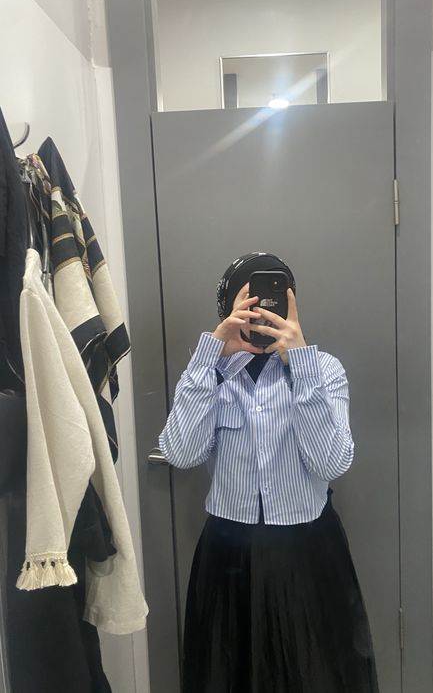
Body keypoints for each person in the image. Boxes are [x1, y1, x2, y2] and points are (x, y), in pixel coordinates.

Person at [159, 252, 380, 693]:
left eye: (271, 303)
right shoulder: (211, 373)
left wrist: (301, 366)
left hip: (307, 553)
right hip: (227, 556)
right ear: (228, 309)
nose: (261, 314)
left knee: (313, 674)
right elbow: (180, 453)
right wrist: (209, 356)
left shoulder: (323, 370)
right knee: (229, 675)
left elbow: (332, 463)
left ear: (290, 305)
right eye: (248, 304)